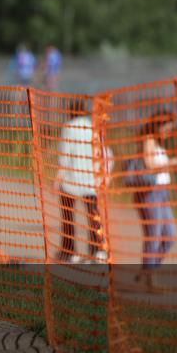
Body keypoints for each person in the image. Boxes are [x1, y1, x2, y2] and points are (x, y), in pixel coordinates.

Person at [128, 109, 177, 291]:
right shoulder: (148, 140)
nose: (169, 132)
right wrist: (171, 163)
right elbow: (150, 167)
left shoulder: (158, 143)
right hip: (150, 194)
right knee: (154, 237)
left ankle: (146, 272)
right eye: (167, 127)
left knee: (170, 237)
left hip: (162, 194)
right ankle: (150, 281)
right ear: (158, 125)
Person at [54, 100, 112, 263]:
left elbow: (65, 155)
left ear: (70, 111)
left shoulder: (69, 127)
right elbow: (105, 152)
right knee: (94, 217)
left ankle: (68, 250)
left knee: (67, 217)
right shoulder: (92, 127)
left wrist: (59, 177)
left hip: (71, 180)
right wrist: (105, 176)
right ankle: (98, 251)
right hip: (91, 180)